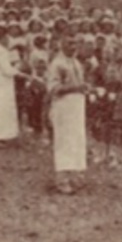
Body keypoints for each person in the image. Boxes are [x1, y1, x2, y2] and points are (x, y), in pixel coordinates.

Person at [47, 35, 88, 194]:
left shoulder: (76, 62)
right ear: (62, 45)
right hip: (63, 105)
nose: (73, 47)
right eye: (69, 43)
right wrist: (75, 87)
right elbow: (53, 88)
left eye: (75, 43)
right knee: (64, 140)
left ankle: (76, 175)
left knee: (77, 139)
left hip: (77, 106)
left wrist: (83, 88)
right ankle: (62, 179)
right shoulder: (57, 64)